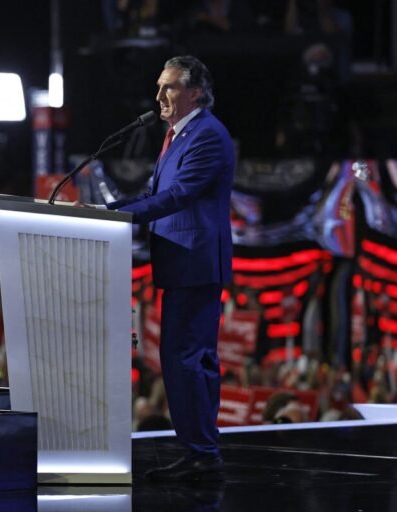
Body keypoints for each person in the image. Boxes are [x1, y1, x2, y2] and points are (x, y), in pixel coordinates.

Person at [102, 55, 234, 481]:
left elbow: (177, 196)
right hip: (182, 262)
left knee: (187, 359)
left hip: (195, 262)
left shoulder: (207, 135)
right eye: (159, 86)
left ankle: (201, 453)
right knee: (186, 358)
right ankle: (200, 450)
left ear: (195, 92)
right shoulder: (178, 135)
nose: (159, 95)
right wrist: (105, 211)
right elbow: (153, 192)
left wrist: (118, 219)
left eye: (170, 87)